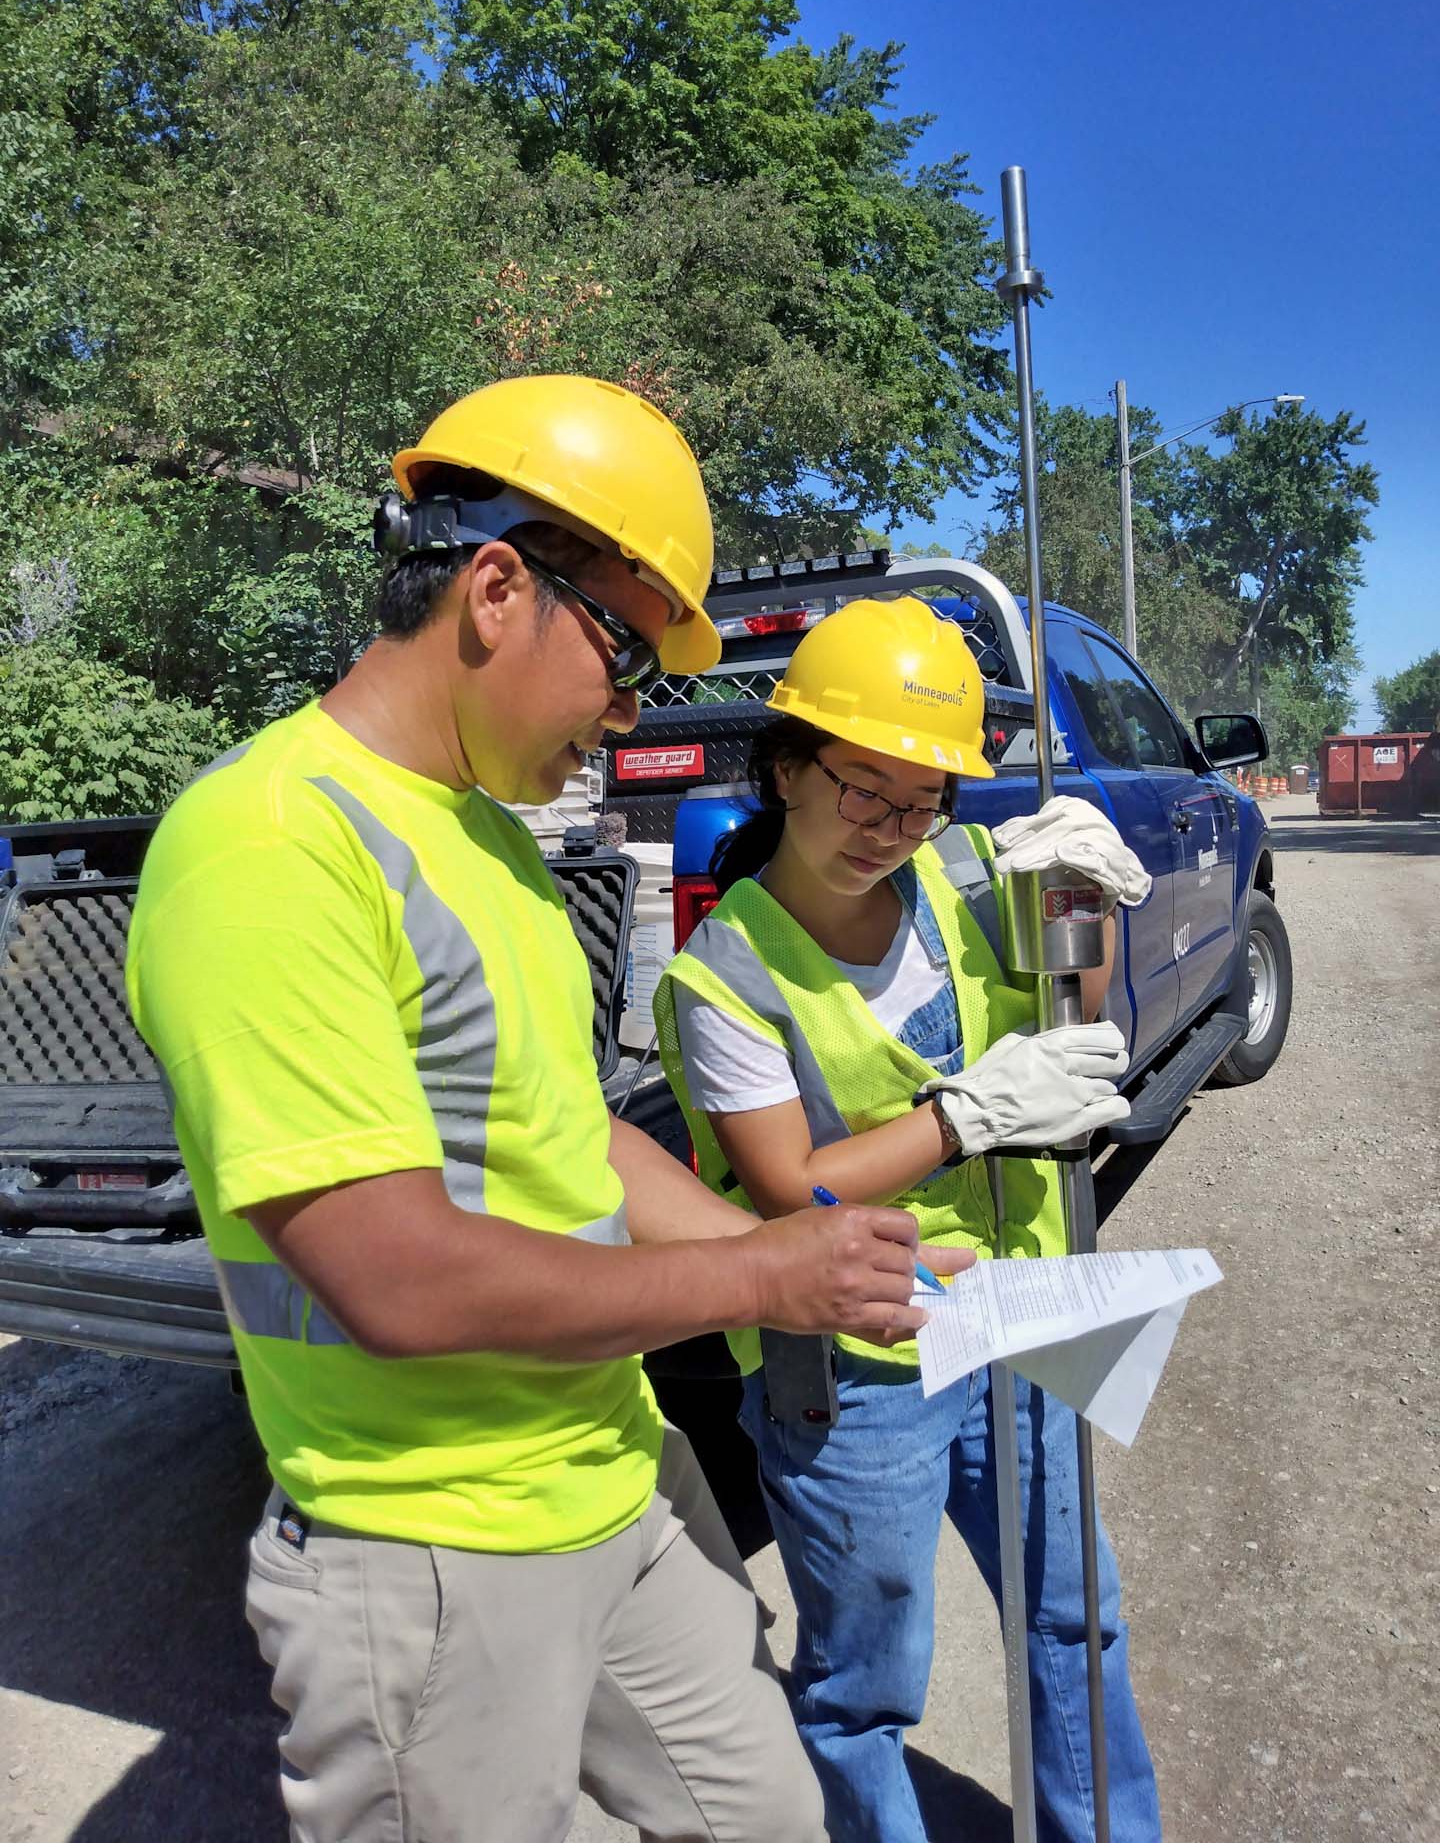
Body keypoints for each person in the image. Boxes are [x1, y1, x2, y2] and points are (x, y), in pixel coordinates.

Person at [125, 375, 972, 1843]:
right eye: (627, 655)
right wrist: (760, 1272)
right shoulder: (270, 848)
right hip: (430, 1546)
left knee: (771, 1818)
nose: (629, 713)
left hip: (613, 1480)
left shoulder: (499, 854)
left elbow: (576, 1141)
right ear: (499, 586)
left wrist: (819, 1276)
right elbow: (394, 1275)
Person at [653, 595, 1164, 1843]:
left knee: (1073, 1616)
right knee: (865, 1687)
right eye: (863, 789)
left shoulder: (966, 873)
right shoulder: (724, 976)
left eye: (926, 795)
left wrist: (1084, 901)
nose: (892, 827)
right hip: (857, 1366)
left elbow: (1073, 1025)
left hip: (1024, 1309)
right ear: (785, 769)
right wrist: (963, 1117)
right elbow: (790, 1188)